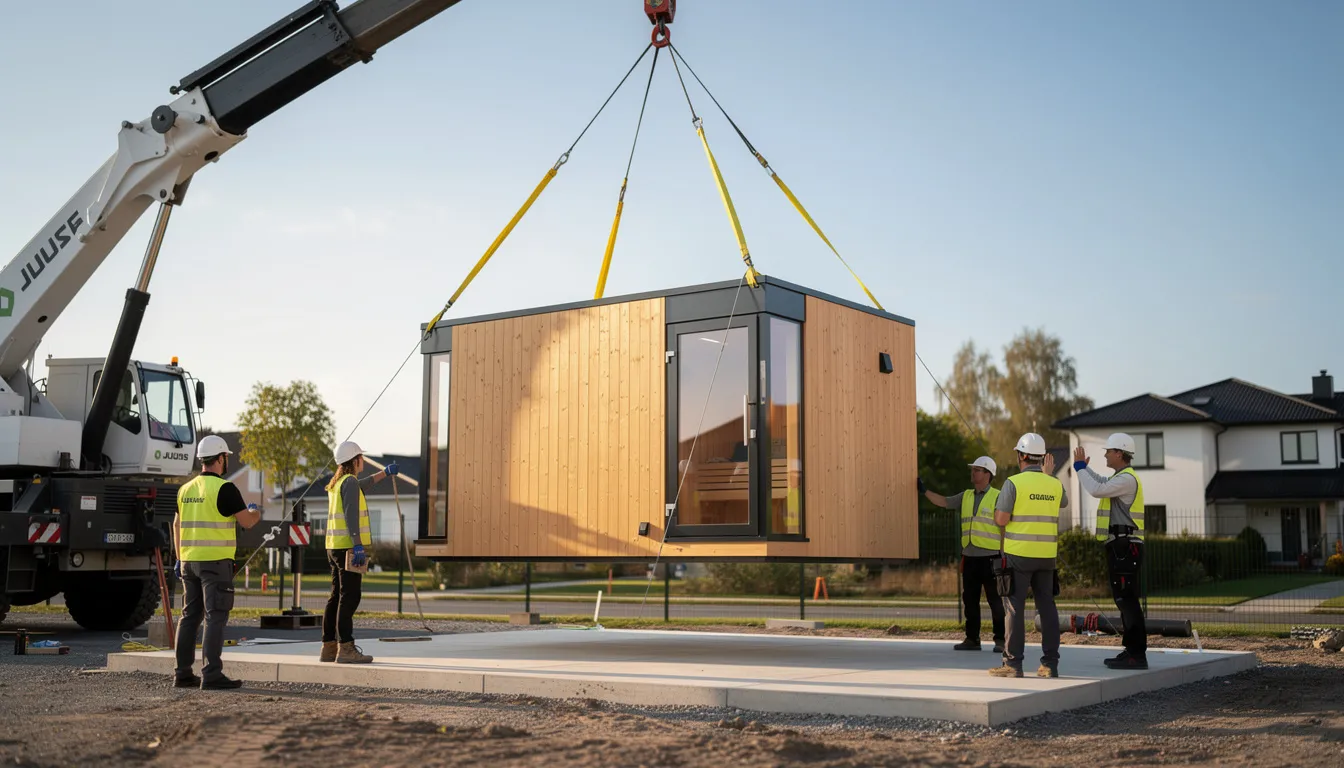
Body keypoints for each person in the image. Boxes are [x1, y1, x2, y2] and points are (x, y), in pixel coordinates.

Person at [173, 434, 262, 689]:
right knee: (215, 617)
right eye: (226, 458)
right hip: (215, 563)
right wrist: (255, 511)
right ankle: (211, 674)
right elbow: (246, 521)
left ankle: (182, 673)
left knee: (189, 617)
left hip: (188, 562)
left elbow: (177, 525)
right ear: (221, 459)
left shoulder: (185, 489)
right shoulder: (225, 488)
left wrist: (179, 558)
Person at [989, 433, 1067, 679]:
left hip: (1018, 556)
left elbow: (1001, 520)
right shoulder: (1054, 484)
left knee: (1014, 609)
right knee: (1048, 608)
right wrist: (1048, 477)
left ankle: (1013, 665)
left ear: (1021, 456)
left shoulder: (1013, 483)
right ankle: (1050, 665)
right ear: (1042, 458)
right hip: (1046, 556)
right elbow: (1062, 503)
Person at [1074, 433, 1148, 670]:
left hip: (1126, 547)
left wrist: (1078, 468)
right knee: (1124, 599)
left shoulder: (1126, 479)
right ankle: (1132, 651)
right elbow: (1101, 484)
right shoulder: (1121, 478)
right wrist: (1085, 469)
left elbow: (1096, 489)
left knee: (1127, 600)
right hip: (1121, 546)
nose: (1105, 454)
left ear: (1119, 453)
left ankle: (1137, 654)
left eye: (1108, 451)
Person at [321, 440, 398, 664]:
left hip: (333, 547)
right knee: (350, 596)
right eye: (361, 458)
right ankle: (346, 648)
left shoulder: (339, 483)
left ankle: (328, 647)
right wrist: (357, 545)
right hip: (348, 547)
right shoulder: (350, 483)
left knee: (336, 596)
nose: (362, 460)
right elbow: (350, 514)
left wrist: (384, 473)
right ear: (355, 460)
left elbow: (362, 485)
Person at [918, 456, 1005, 653]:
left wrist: (1004, 554)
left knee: (996, 601)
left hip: (992, 558)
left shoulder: (998, 496)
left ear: (988, 474)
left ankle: (1001, 640)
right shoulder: (965, 495)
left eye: (977, 470)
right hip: (970, 557)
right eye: (973, 469)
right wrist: (924, 492)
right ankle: (972, 639)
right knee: (970, 600)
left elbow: (1004, 527)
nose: (972, 473)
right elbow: (944, 502)